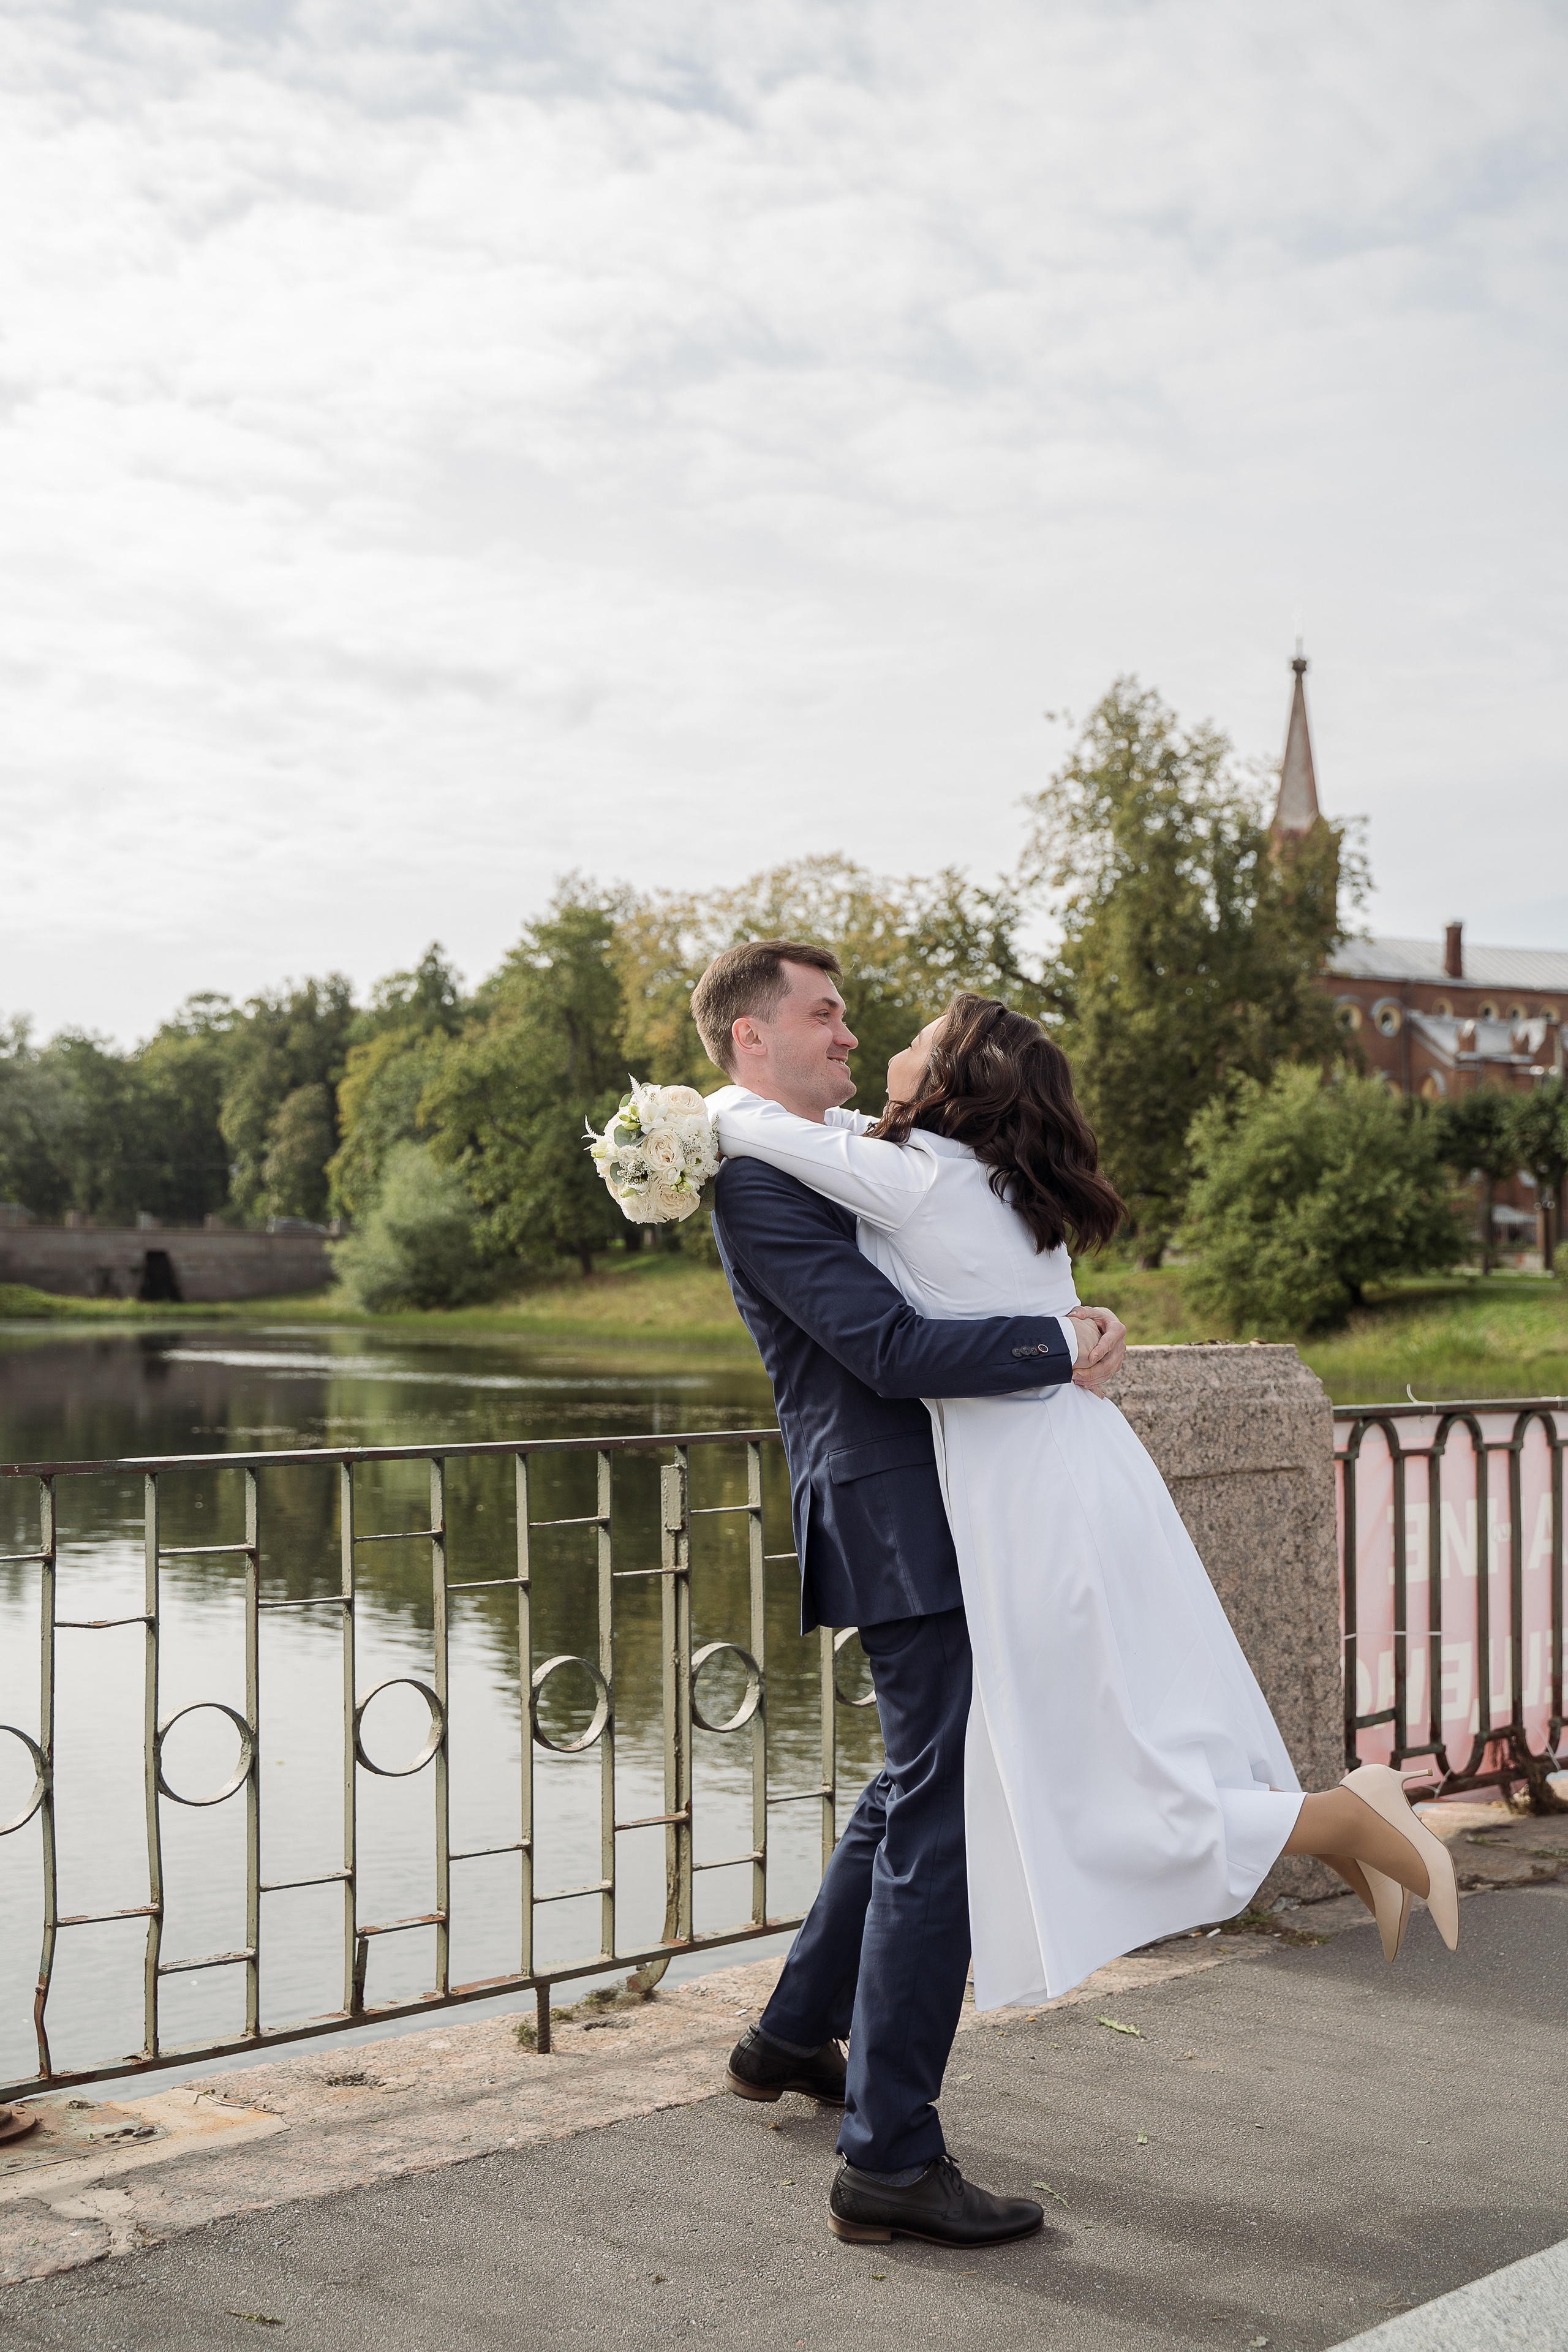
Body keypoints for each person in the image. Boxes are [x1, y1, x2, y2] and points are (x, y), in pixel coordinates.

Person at [695, 947, 1460, 2253]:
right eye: (820, 1013)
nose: (848, 1030)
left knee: (926, 1788)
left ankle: (792, 2041)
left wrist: (1054, 1337)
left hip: (982, 1502)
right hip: (910, 1516)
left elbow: (943, 1282)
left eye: (857, 1018)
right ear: (747, 1040)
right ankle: (884, 2150)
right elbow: (881, 1348)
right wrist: (1057, 1340)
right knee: (936, 1803)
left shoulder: (852, 1155)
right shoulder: (764, 1164)